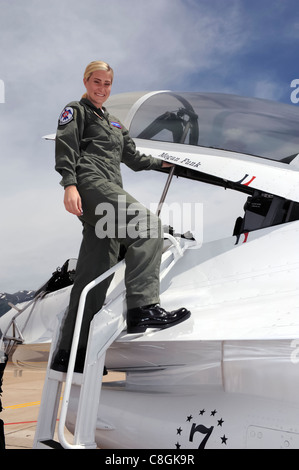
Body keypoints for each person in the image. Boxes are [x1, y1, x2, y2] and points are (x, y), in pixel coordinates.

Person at [51, 60, 191, 373]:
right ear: (86, 82)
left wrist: (164, 164)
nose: (102, 89)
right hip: (90, 183)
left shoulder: (114, 123)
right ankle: (142, 309)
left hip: (109, 186)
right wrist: (69, 185)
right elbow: (66, 148)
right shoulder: (77, 111)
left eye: (107, 84)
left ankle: (72, 352)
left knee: (93, 274)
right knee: (148, 227)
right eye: (96, 82)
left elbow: (133, 157)